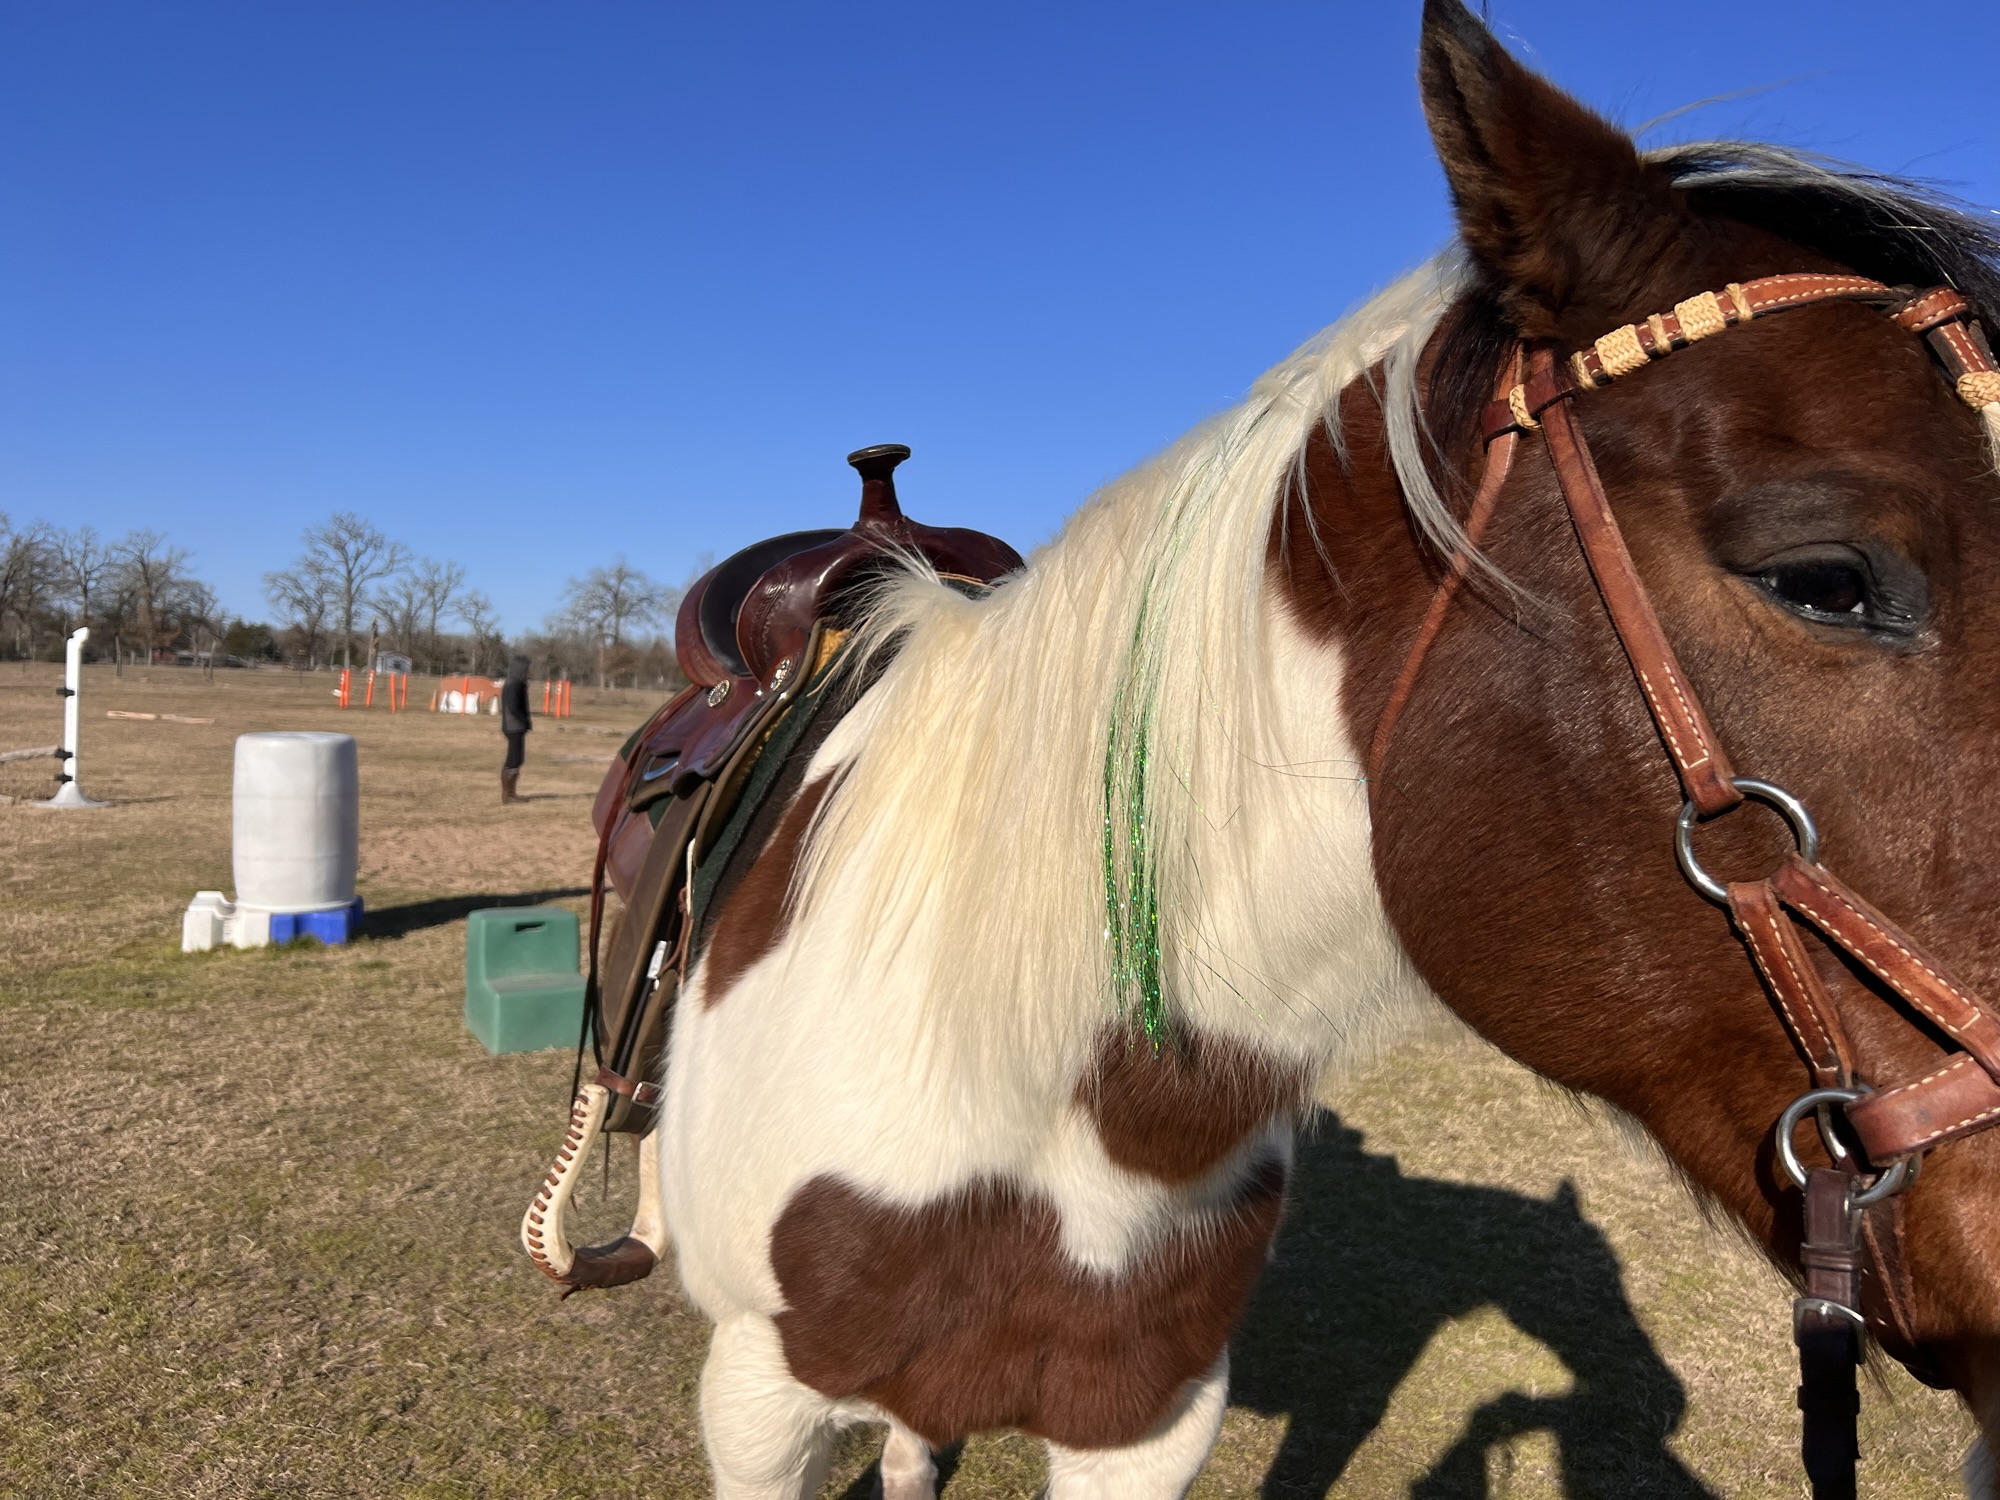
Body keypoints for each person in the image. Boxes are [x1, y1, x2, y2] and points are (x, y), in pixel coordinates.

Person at [500, 654, 531, 803]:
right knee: (515, 759)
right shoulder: (515, 684)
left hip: (513, 726)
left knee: (515, 758)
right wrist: (524, 721)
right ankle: (509, 795)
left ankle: (510, 793)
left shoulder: (513, 682)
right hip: (514, 726)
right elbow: (513, 706)